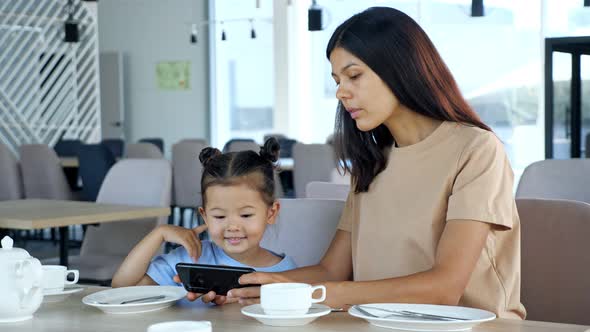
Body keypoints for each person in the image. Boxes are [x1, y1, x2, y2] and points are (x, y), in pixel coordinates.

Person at [219, 7, 526, 319]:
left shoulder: (477, 150)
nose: (340, 92)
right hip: (381, 324)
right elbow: (331, 270)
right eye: (337, 80)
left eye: (354, 76)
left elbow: (443, 289)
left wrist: (320, 294)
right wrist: (257, 288)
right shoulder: (372, 162)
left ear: (401, 68)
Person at [111, 138, 297, 305]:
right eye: (219, 216)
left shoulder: (285, 273)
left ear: (271, 213)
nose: (232, 226)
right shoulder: (191, 258)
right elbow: (122, 289)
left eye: (246, 215)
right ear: (204, 215)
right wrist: (159, 233)